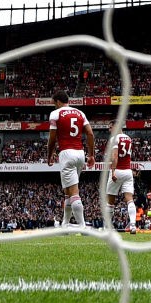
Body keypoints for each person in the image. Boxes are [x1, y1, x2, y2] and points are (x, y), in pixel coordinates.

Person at [46, 89, 95, 228]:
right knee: (68, 192)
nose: (54, 106)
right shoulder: (80, 113)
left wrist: (49, 156)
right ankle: (65, 224)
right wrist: (91, 155)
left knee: (73, 192)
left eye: (54, 103)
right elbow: (90, 134)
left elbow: (52, 139)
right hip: (80, 153)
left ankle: (83, 226)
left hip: (66, 153)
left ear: (58, 101)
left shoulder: (55, 114)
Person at [105, 131, 136, 234]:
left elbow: (115, 156)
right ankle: (133, 226)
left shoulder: (115, 138)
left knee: (110, 201)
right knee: (130, 200)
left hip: (117, 170)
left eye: (110, 127)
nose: (109, 130)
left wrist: (113, 171)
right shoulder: (128, 138)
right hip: (128, 171)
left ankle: (107, 227)